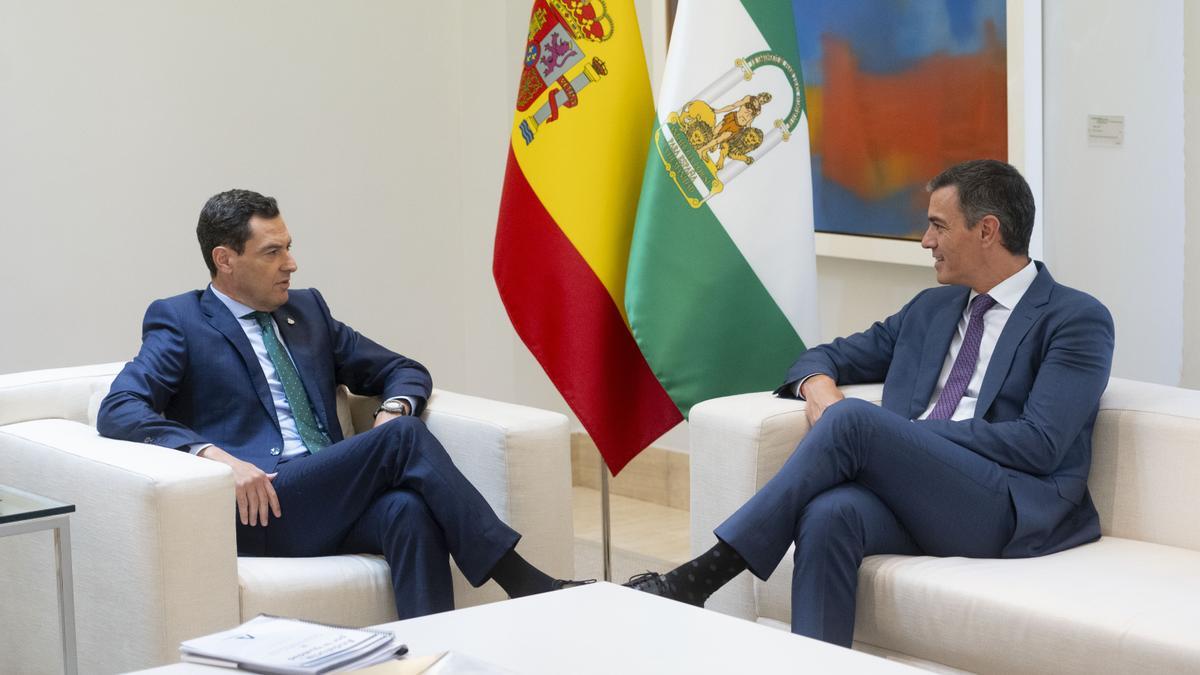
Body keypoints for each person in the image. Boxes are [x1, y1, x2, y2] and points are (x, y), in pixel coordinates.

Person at [625, 159, 1115, 647]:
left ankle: (701, 577)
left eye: (938, 226)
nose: (926, 241)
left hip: (1006, 507)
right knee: (829, 514)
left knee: (856, 421)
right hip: (920, 495)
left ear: (987, 230)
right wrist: (817, 385)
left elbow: (1040, 444)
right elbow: (822, 356)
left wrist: (898, 438)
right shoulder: (931, 309)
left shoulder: (1074, 319)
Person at [98, 189, 585, 619]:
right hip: (262, 504)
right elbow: (120, 407)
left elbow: (404, 369)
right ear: (225, 259)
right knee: (402, 440)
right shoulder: (181, 321)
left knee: (407, 509)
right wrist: (215, 458)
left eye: (288, 247)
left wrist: (394, 407)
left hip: (329, 494)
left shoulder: (306, 311)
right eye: (273, 252)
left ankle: (434, 652)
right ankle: (523, 581)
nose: (291, 263)